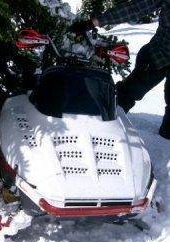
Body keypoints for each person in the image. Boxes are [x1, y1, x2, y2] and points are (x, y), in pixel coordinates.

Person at [69, 0, 170, 139]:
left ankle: (164, 141)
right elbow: (135, 7)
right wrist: (93, 23)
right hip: (157, 55)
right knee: (128, 93)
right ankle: (97, 128)